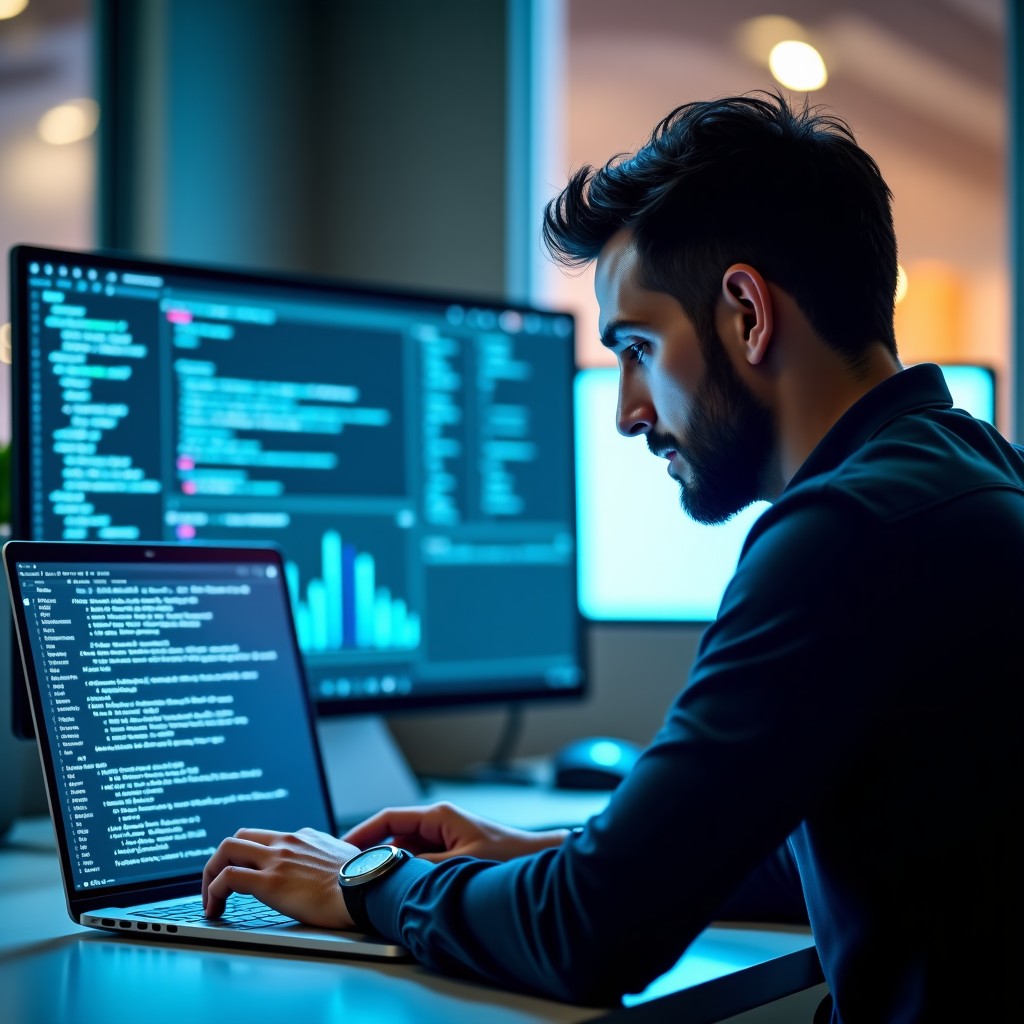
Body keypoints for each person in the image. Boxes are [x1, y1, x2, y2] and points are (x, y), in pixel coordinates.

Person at [201, 92, 1021, 1020]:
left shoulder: (842, 534)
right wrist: (558, 854)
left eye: (636, 347)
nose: (629, 410)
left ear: (748, 313)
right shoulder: (975, 476)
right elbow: (823, 848)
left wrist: (367, 883)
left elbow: (591, 934)